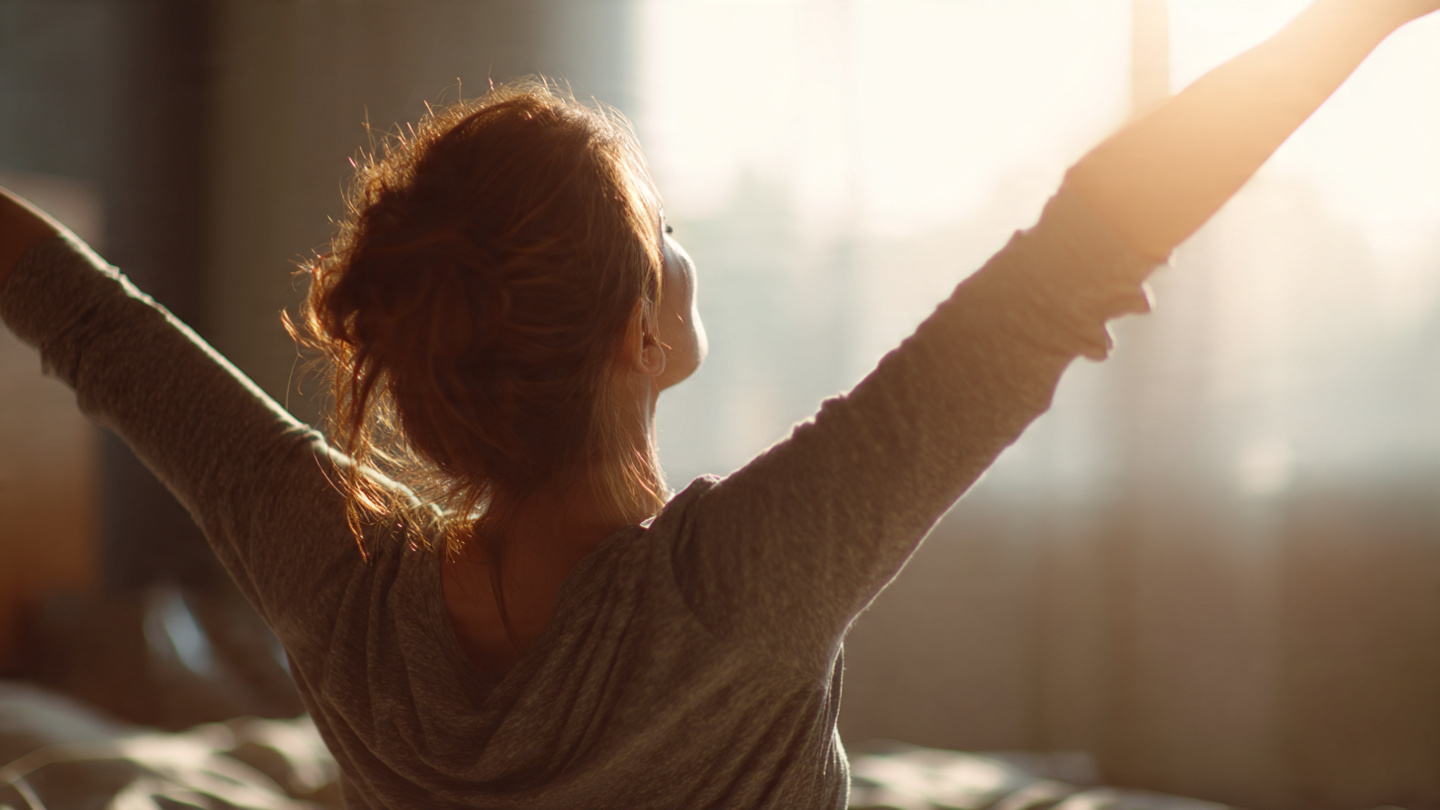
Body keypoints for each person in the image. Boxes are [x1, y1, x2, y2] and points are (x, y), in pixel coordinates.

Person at [1, 1, 1435, 806]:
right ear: (636, 326)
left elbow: (86, 322)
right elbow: (1086, 246)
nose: (687, 243)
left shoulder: (331, 580)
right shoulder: (738, 590)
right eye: (663, 223)